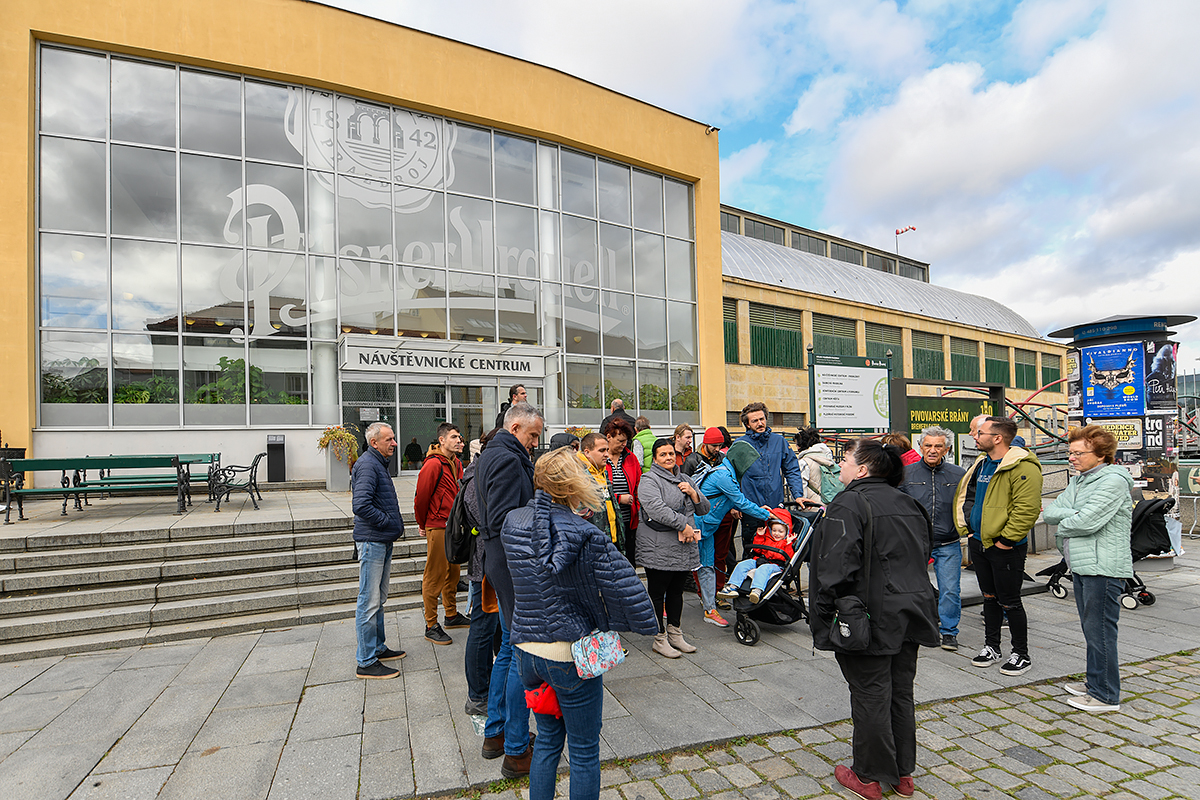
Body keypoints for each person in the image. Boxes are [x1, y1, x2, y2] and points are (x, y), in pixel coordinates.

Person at [504, 448, 658, 800]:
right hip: (568, 653)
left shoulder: (513, 522)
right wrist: (642, 624)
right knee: (585, 750)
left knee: (547, 741)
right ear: (573, 484)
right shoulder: (585, 532)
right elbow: (624, 587)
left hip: (526, 650)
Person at [809, 439, 939, 800]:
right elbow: (922, 553)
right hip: (910, 612)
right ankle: (902, 774)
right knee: (899, 693)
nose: (841, 465)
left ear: (862, 469)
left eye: (845, 460)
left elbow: (834, 568)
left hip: (869, 616)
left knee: (871, 695)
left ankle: (868, 776)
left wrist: (824, 614)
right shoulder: (907, 501)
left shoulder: (849, 502)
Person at [1043, 425, 1134, 713]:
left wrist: (1068, 521)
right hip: (1083, 564)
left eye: (1078, 453)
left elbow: (1088, 522)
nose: (1071, 458)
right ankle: (1095, 682)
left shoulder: (1113, 481)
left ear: (1101, 455)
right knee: (1091, 630)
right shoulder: (1081, 480)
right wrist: (1074, 514)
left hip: (1103, 568)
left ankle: (1105, 695)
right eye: (1070, 452)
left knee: (1101, 632)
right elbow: (1050, 512)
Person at [475, 403, 544, 777]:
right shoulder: (505, 457)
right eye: (532, 435)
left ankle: (496, 733)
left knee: (507, 648)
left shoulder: (497, 452)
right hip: (512, 563)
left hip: (503, 560)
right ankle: (516, 750)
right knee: (521, 652)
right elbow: (505, 519)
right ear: (515, 427)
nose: (535, 442)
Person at [953, 415, 1043, 677]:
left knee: (1010, 601)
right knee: (989, 598)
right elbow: (968, 497)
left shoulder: (1022, 466)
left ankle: (1021, 654)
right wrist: (970, 530)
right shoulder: (982, 464)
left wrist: (1006, 541)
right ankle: (992, 647)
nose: (975, 436)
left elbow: (1026, 509)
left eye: (980, 433)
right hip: (979, 542)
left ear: (997, 438)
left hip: (1005, 548)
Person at [637, 438, 711, 657]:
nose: (668, 458)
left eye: (670, 453)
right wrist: (684, 525)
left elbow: (704, 508)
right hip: (658, 545)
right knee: (657, 592)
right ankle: (659, 638)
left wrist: (693, 493)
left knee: (677, 591)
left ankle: (675, 633)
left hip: (683, 546)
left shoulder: (685, 478)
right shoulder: (649, 480)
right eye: (663, 454)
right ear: (655, 458)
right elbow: (656, 509)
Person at [899, 426, 967, 651]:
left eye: (938, 446)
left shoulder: (958, 474)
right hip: (916, 543)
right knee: (912, 588)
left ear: (946, 449)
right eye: (928, 445)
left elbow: (967, 503)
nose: (932, 450)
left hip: (948, 542)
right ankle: (918, 627)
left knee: (950, 590)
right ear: (920, 447)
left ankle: (949, 632)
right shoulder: (906, 474)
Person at [694, 434, 771, 627]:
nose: (749, 468)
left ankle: (709, 609)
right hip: (697, 527)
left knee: (707, 566)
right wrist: (766, 514)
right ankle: (663, 605)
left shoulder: (726, 473)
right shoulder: (724, 476)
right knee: (683, 568)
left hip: (706, 528)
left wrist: (760, 510)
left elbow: (733, 500)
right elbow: (740, 502)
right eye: (748, 464)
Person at [352, 422, 407, 679]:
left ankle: (377, 648)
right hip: (373, 540)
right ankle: (366, 661)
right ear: (374, 443)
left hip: (381, 539)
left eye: (393, 438)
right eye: (389, 439)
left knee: (378, 599)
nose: (394, 443)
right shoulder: (368, 465)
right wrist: (386, 521)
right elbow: (361, 505)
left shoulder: (377, 463)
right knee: (369, 600)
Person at [415, 422, 470, 646]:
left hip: (453, 525)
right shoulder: (433, 464)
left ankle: (451, 615)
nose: (459, 441)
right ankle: (431, 624)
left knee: (453, 574)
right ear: (442, 440)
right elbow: (421, 498)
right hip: (437, 525)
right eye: (454, 437)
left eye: (460, 438)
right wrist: (422, 523)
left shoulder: (456, 463)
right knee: (434, 575)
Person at [736, 402, 805, 557]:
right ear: (747, 424)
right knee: (751, 550)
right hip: (750, 508)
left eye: (762, 419)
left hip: (775, 508)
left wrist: (798, 494)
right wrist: (735, 505)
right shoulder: (740, 445)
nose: (760, 423)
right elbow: (732, 477)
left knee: (777, 550)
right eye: (755, 421)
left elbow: (792, 469)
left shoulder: (779, 441)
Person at [462, 429, 498, 718]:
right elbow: (484, 519)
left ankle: (489, 686)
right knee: (482, 628)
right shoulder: (476, 477)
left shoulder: (482, 472)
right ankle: (477, 694)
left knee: (491, 627)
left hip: (491, 561)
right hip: (484, 563)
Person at [719, 507, 796, 604]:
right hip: (761, 560)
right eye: (774, 530)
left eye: (780, 532)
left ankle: (757, 590)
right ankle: (732, 586)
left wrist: (788, 544)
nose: (776, 534)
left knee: (763, 569)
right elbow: (757, 550)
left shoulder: (787, 542)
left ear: (787, 531)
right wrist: (759, 536)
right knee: (743, 564)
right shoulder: (767, 538)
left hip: (775, 565)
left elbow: (787, 557)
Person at [604, 417, 641, 565]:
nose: (624, 444)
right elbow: (595, 489)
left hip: (628, 520)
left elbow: (638, 486)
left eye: (625, 441)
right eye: (620, 440)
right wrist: (619, 498)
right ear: (609, 437)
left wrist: (637, 509)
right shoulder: (600, 458)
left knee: (629, 561)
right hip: (608, 522)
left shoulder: (631, 458)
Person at [576, 432, 621, 546]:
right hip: (593, 544)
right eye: (602, 450)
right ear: (587, 452)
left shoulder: (603, 472)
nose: (607, 455)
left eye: (607, 450)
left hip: (611, 540)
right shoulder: (578, 475)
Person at [794, 427, 837, 503]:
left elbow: (801, 486)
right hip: (832, 502)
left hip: (813, 505)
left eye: (796, 444)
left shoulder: (804, 462)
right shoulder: (828, 458)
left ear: (801, 445)